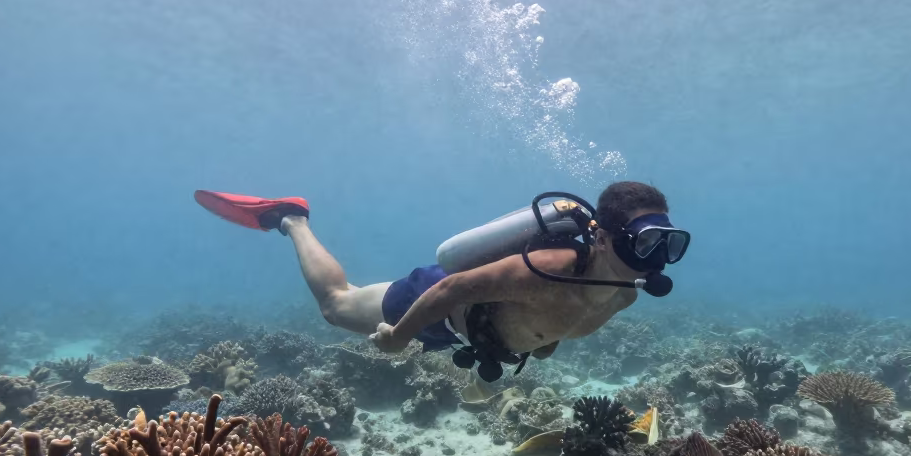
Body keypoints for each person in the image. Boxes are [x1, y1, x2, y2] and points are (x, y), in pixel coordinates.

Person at [194, 182, 689, 380]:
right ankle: (291, 219)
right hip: (433, 301)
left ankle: (292, 221)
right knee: (336, 306)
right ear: (601, 237)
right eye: (643, 242)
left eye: (667, 244)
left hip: (471, 334)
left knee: (343, 304)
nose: (656, 259)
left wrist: (534, 344)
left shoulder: (625, 295)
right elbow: (451, 289)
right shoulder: (552, 267)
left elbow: (559, 323)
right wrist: (397, 338)